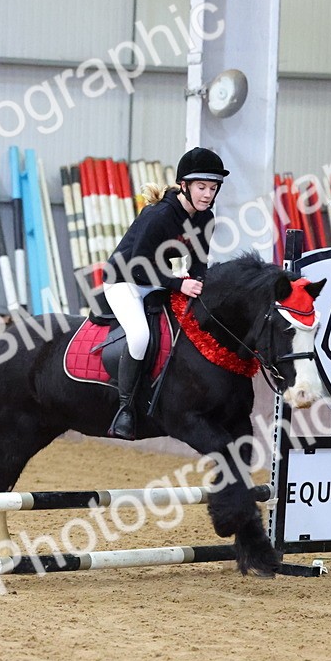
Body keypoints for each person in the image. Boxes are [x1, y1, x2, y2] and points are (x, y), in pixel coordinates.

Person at [101, 146, 228, 440]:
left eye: (213, 188)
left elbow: (198, 265)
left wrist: (202, 287)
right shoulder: (159, 215)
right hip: (124, 281)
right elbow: (136, 267)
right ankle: (125, 410)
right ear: (184, 185)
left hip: (156, 280)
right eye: (201, 187)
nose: (208, 194)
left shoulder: (205, 219)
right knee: (140, 336)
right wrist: (178, 284)